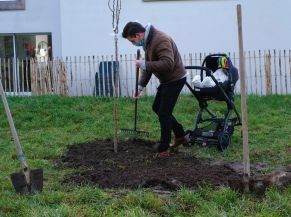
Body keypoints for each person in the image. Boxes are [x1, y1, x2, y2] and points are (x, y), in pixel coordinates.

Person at [122, 21, 187, 157]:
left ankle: (164, 147)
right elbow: (148, 68)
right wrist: (139, 87)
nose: (133, 44)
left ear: (139, 35)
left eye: (132, 41)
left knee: (164, 112)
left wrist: (144, 64)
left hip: (175, 79)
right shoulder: (148, 41)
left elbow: (168, 64)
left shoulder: (160, 40)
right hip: (167, 80)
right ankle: (180, 135)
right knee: (157, 107)